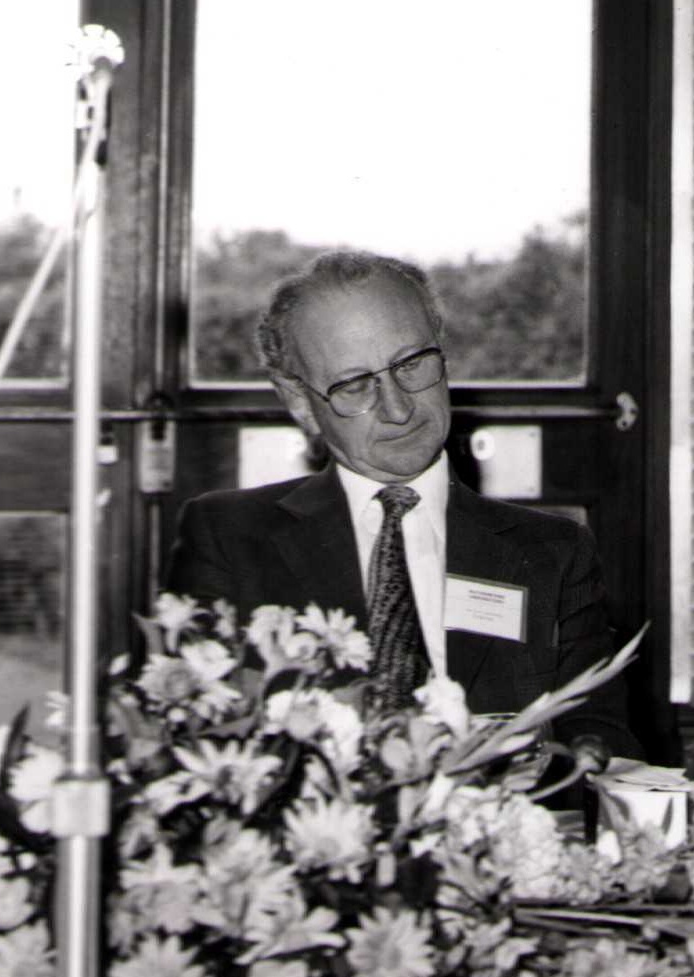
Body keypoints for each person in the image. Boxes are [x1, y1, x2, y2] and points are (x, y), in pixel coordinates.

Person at [167, 250, 639, 763]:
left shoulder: (553, 552)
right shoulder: (228, 537)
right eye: (354, 385)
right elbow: (195, 735)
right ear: (299, 401)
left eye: (412, 365)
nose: (399, 409)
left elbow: (600, 740)